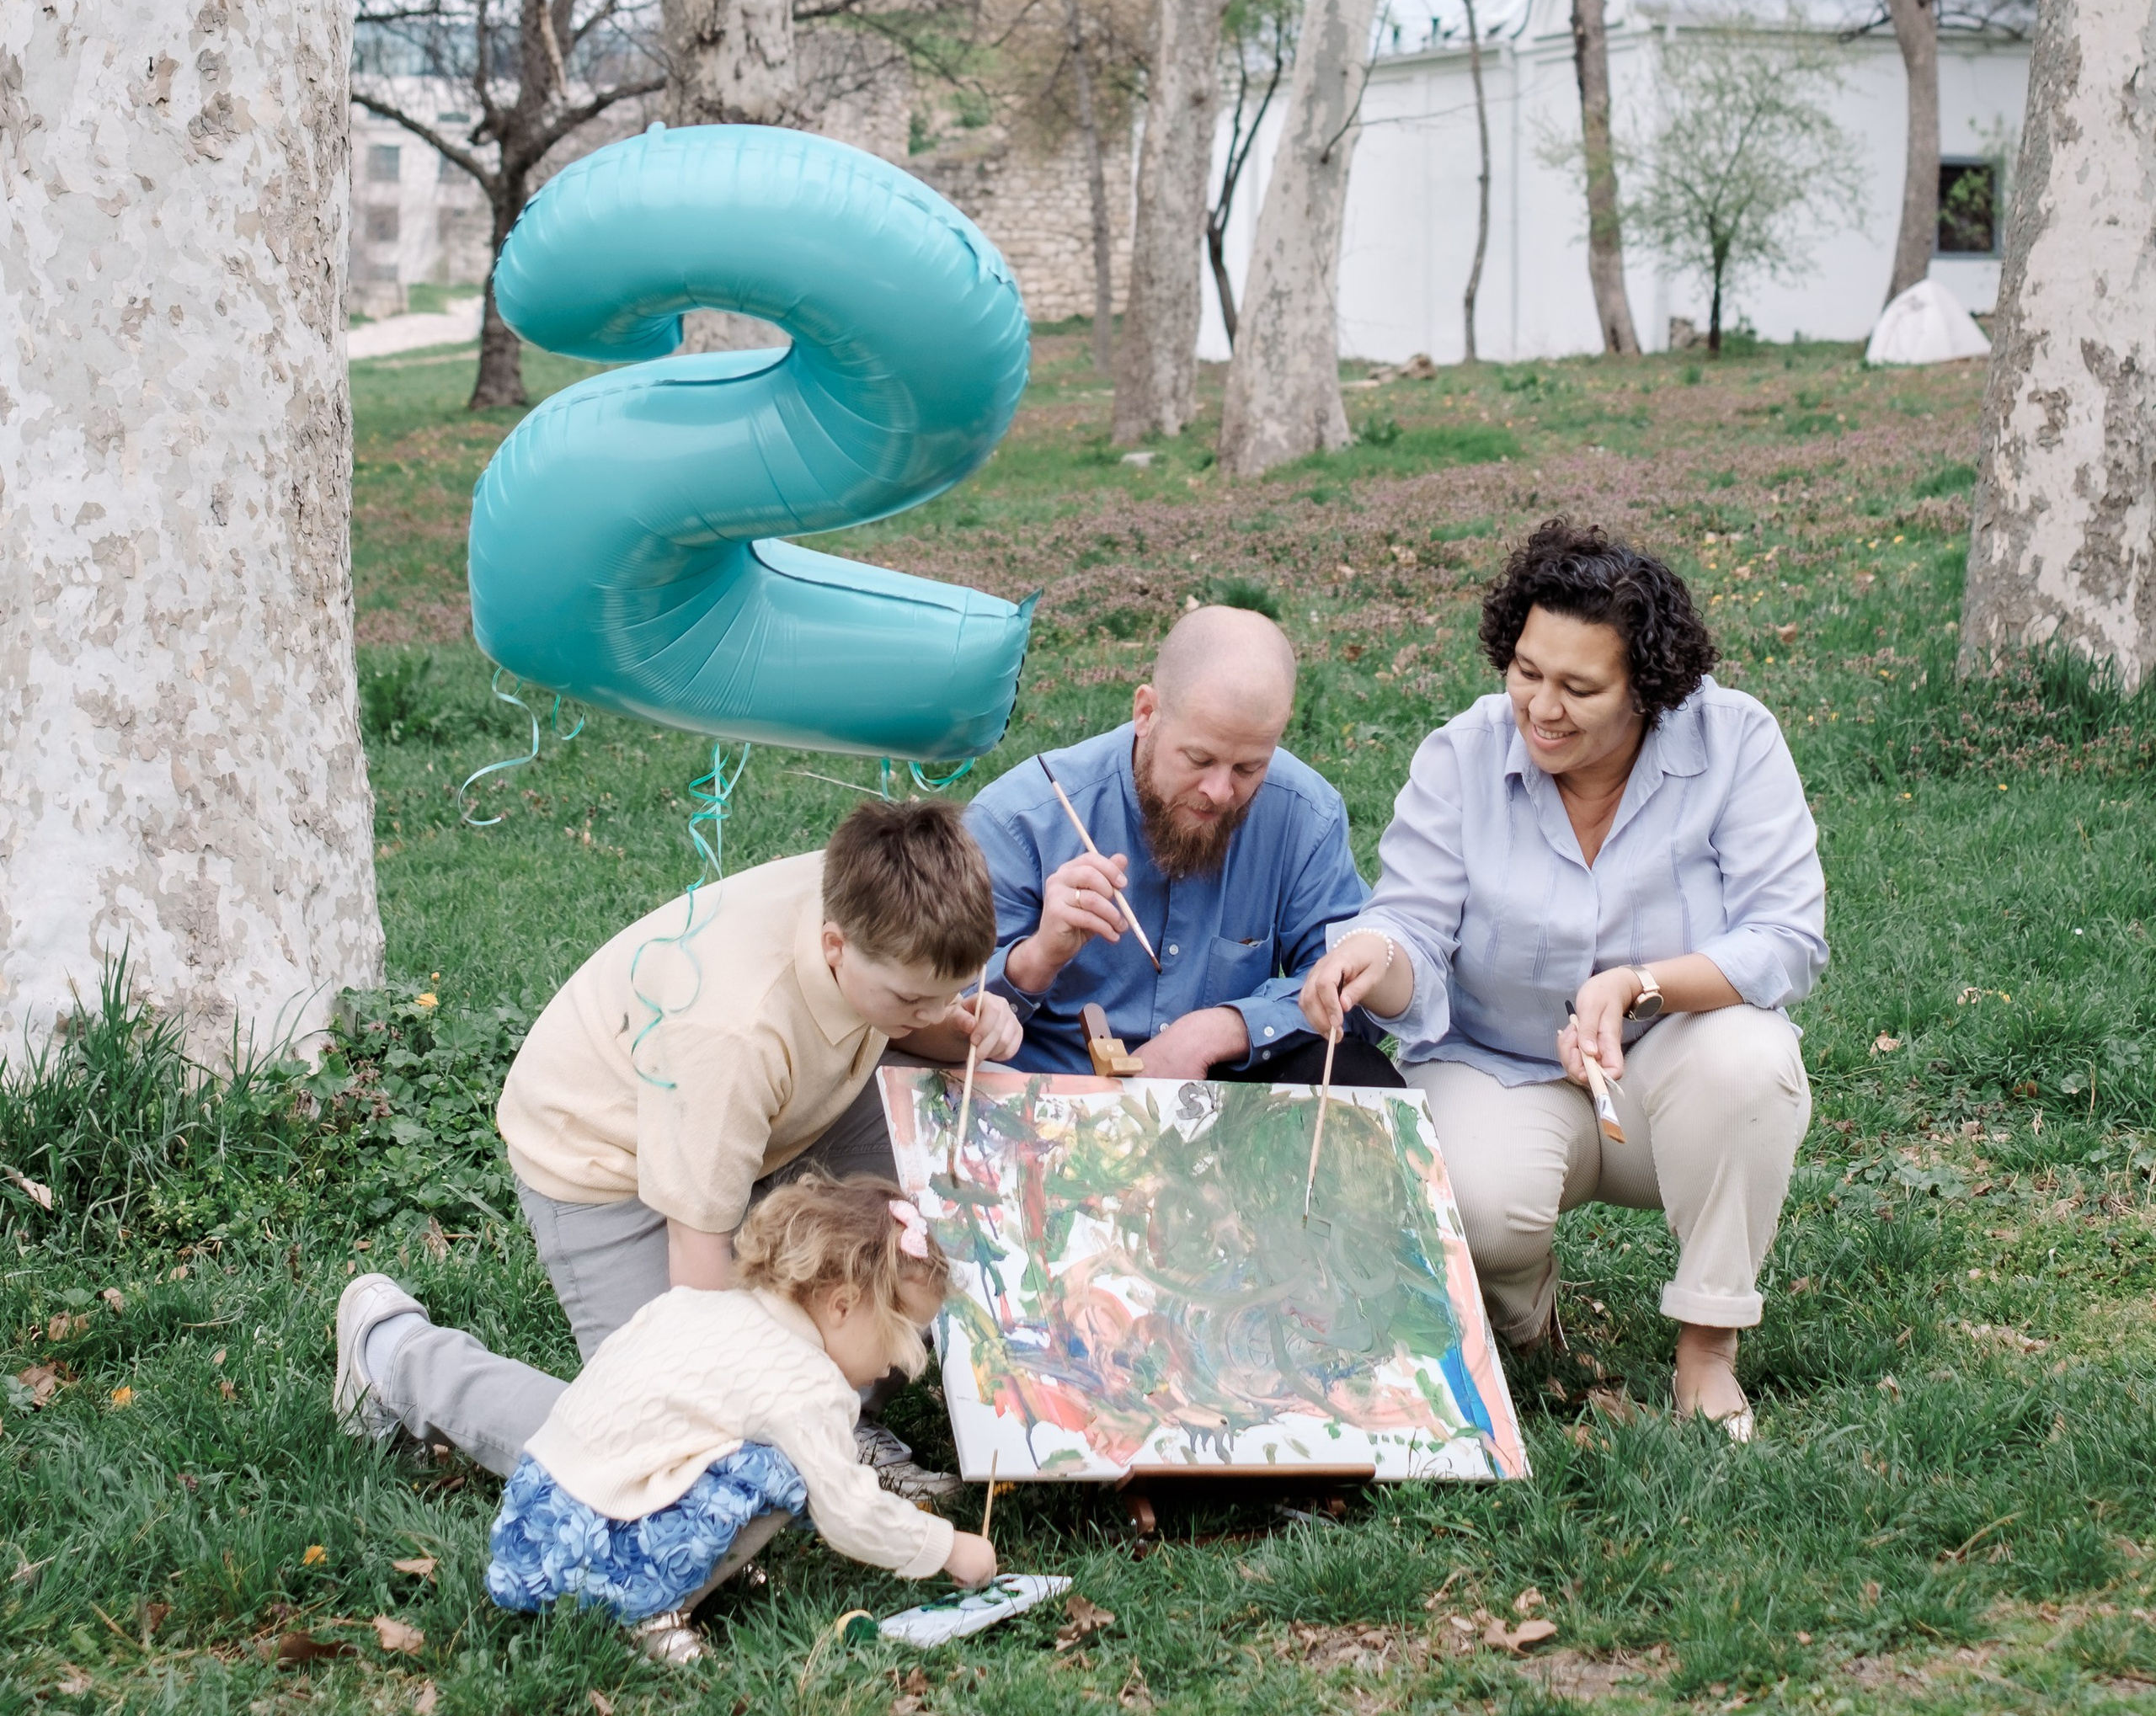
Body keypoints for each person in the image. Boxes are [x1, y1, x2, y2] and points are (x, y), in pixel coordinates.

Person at [1299, 518, 1826, 1438]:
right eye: (1527, 673)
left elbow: (1785, 937)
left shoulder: (1735, 739)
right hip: (1497, 1066)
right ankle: (1523, 1315)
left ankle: (1706, 1349)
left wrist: (1640, 984)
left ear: (1647, 693)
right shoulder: (1459, 756)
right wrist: (1368, 957)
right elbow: (1411, 927)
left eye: (1580, 687)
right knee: (1474, 1200)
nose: (1542, 707)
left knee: (1752, 1061)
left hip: (1670, 1079)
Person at [335, 797, 1019, 1485]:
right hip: (607, 1159)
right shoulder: (731, 1031)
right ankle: (394, 1355)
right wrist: (732, 1426)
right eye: (912, 1001)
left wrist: (972, 1023)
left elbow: (917, 1019)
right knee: (666, 1439)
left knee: (934, 1197)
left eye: (955, 990)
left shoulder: (886, 909)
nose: (936, 1014)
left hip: (770, 1118)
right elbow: (698, 1279)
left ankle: (839, 1411)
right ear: (835, 947)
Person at [483, 1176, 996, 1670]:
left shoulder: (701, 1308)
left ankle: (699, 1569)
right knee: (784, 1473)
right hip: (595, 1554)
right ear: (842, 1305)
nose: (898, 1364)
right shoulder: (806, 1382)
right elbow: (848, 1509)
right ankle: (649, 1613)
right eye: (902, 1335)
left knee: (744, 1451)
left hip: (531, 1526)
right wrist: (948, 1547)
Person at [967, 603, 1396, 1088]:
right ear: (1146, 713)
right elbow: (933, 1013)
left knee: (1356, 1074)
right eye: (1199, 758)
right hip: (1048, 1107)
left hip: (1222, 1107)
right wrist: (1039, 956)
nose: (1220, 791)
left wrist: (1220, 1029)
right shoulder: (1022, 819)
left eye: (1248, 768)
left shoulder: (1303, 814)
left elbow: (1355, 991)